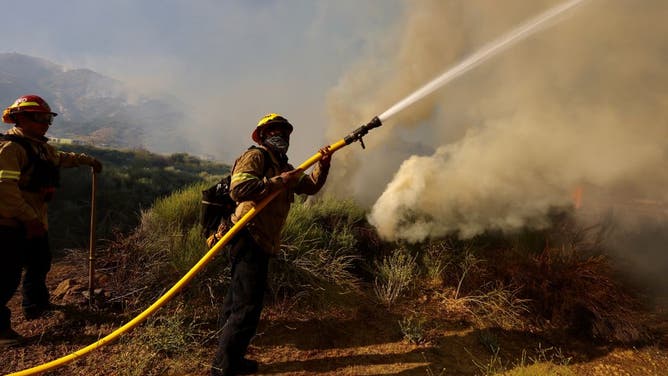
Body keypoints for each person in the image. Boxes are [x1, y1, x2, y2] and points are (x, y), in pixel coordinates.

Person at [211, 113, 331, 376]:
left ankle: (228, 358)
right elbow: (239, 189)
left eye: (284, 131)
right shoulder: (257, 157)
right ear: (263, 135)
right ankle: (225, 368)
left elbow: (309, 186)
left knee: (236, 302)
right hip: (248, 235)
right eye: (274, 130)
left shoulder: (284, 166)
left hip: (262, 241)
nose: (281, 135)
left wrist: (324, 163)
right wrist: (278, 182)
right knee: (246, 307)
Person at [0, 94, 102, 347]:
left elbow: (60, 158)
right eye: (40, 118)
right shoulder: (10, 149)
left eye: (48, 119)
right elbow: (5, 189)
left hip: (34, 221)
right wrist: (29, 219)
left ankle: (35, 305)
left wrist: (86, 160)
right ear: (21, 118)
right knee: (5, 277)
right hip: (9, 224)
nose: (46, 123)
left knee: (40, 262)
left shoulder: (40, 147)